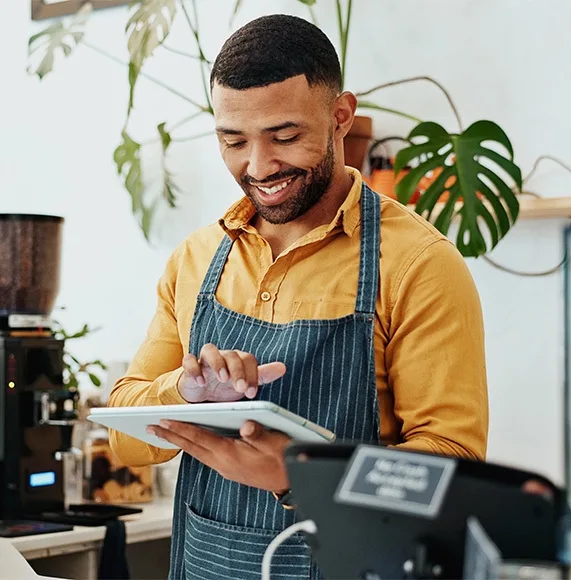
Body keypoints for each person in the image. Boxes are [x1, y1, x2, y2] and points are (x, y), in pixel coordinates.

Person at [108, 13, 488, 580]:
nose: (259, 168)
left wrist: (300, 476)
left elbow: (453, 467)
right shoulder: (196, 257)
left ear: (341, 117)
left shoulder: (419, 265)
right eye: (233, 141)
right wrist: (183, 392)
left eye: (285, 137)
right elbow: (126, 443)